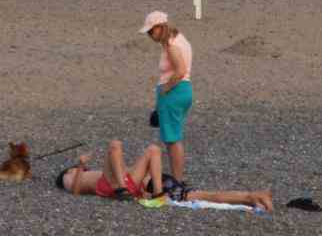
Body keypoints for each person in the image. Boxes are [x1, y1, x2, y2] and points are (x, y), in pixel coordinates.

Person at [55, 141, 272, 212]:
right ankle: (250, 196)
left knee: (152, 149)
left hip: (137, 184)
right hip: (116, 185)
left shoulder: (87, 173)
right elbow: (74, 190)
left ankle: (156, 192)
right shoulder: (69, 175)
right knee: (114, 145)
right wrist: (79, 166)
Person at [141, 11, 193, 183]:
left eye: (151, 31)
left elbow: (180, 70)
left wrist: (165, 90)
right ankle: (177, 179)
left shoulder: (171, 45)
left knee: (172, 139)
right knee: (173, 137)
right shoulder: (180, 39)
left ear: (160, 27)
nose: (150, 35)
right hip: (184, 91)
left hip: (174, 93)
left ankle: (178, 181)